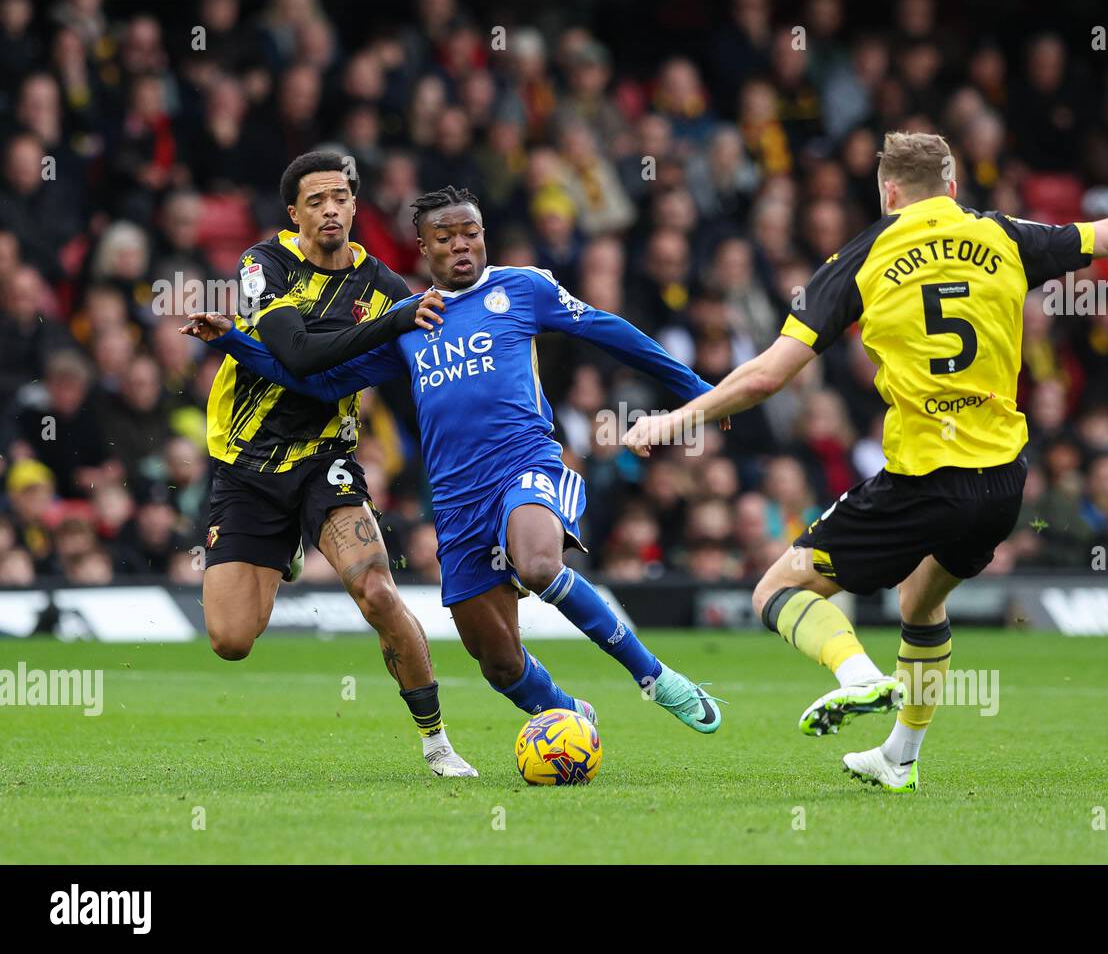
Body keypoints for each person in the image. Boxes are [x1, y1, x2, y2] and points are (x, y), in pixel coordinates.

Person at [625, 131, 1108, 791]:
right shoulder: (1002, 235)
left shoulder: (863, 254)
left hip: (925, 478)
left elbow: (766, 378)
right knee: (922, 600)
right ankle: (900, 757)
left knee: (777, 589)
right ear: (954, 188)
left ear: (889, 193)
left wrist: (677, 418)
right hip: (1003, 483)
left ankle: (858, 675)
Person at [185, 186, 725, 734]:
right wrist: (235, 341)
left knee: (539, 564)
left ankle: (656, 678)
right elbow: (319, 381)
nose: (462, 246)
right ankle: (565, 713)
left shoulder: (523, 287)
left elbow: (610, 331)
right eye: (446, 238)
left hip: (525, 464)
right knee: (498, 662)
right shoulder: (409, 319)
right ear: (423, 248)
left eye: (472, 234)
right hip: (456, 498)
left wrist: (699, 391)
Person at [198, 151, 475, 777]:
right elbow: (296, 355)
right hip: (249, 463)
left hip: (329, 458)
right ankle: (285, 552)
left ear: (354, 204)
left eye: (340, 198)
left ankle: (437, 742)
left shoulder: (384, 288)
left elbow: (412, 377)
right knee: (231, 641)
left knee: (377, 592)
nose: (330, 209)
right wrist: (392, 325)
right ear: (294, 214)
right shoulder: (262, 266)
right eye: (315, 201)